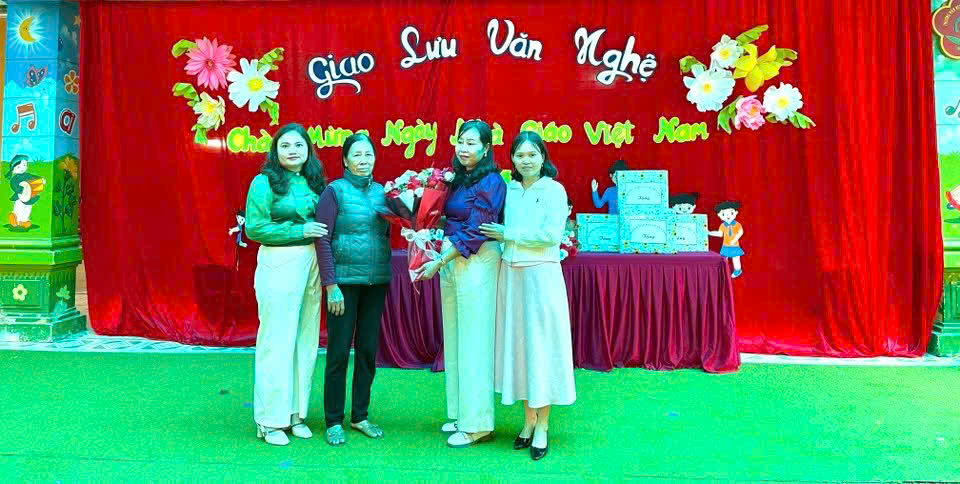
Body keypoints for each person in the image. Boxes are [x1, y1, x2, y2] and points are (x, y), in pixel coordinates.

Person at [479, 131, 576, 461]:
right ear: (512, 159)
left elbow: (551, 236)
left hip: (541, 277)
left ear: (543, 157)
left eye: (532, 154)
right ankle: (528, 420)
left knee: (540, 349)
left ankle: (543, 425)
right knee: (519, 348)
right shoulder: (509, 189)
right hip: (511, 275)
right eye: (519, 155)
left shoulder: (554, 190)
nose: (526, 160)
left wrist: (509, 234)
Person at [415, 119, 506, 448]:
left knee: (475, 342)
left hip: (477, 260)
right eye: (460, 141)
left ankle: (478, 424)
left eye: (471, 143)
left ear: (486, 148)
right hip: (452, 259)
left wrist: (439, 261)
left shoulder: (492, 181)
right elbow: (447, 216)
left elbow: (477, 228)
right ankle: (460, 413)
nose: (464, 148)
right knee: (455, 339)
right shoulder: (457, 178)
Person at [245, 123, 328, 446]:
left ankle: (296, 414)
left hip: (311, 262)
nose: (293, 151)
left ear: (308, 149)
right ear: (275, 151)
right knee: (277, 339)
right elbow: (255, 228)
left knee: (305, 338)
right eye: (285, 145)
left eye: (298, 145)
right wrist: (299, 231)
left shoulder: (313, 182)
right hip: (278, 261)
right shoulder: (264, 182)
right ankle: (270, 420)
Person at [314, 133, 391, 446]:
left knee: (368, 352)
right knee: (338, 353)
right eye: (356, 155)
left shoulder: (384, 193)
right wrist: (331, 285)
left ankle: (360, 416)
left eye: (368, 154)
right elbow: (322, 239)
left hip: (376, 283)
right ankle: (334, 420)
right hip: (343, 285)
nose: (363, 160)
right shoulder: (334, 192)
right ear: (345, 160)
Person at [709, 200, 744, 278]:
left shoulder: (737, 224)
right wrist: (709, 232)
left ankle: (738, 270)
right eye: (724, 214)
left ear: (736, 213)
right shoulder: (723, 226)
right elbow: (720, 234)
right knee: (724, 259)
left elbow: (741, 232)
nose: (728, 216)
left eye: (731, 213)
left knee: (736, 258)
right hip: (725, 246)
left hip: (734, 246)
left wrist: (734, 240)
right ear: (719, 215)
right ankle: (723, 271)